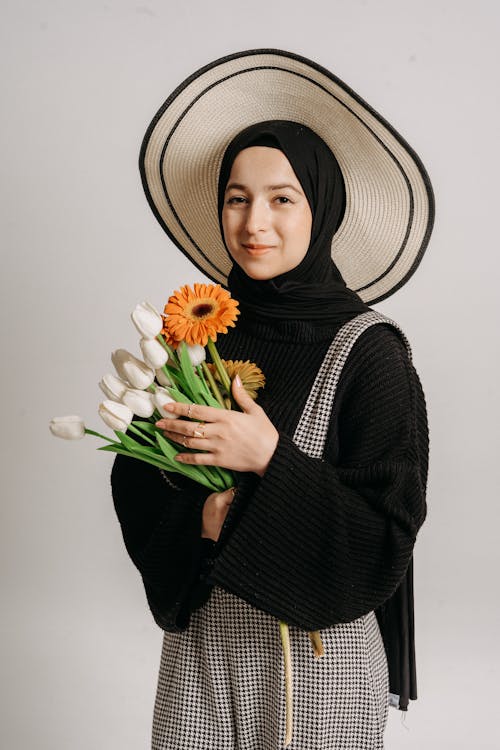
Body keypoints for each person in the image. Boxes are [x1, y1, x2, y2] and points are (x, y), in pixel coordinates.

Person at [111, 51, 433, 750]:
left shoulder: (371, 352)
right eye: (236, 197)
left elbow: (388, 533)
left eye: (282, 198)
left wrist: (268, 460)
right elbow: (138, 480)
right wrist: (204, 514)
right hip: (204, 653)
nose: (254, 221)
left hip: (321, 663)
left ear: (321, 209)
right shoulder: (197, 336)